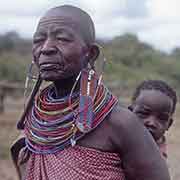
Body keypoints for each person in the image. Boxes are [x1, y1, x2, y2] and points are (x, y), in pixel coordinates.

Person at [11, 5, 170, 180]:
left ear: (91, 53)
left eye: (62, 38)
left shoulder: (120, 123)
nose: (46, 48)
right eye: (39, 40)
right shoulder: (35, 118)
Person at [129, 80, 177, 159]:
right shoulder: (114, 138)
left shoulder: (156, 160)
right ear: (130, 112)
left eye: (161, 118)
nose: (152, 123)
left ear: (169, 124)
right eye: (144, 113)